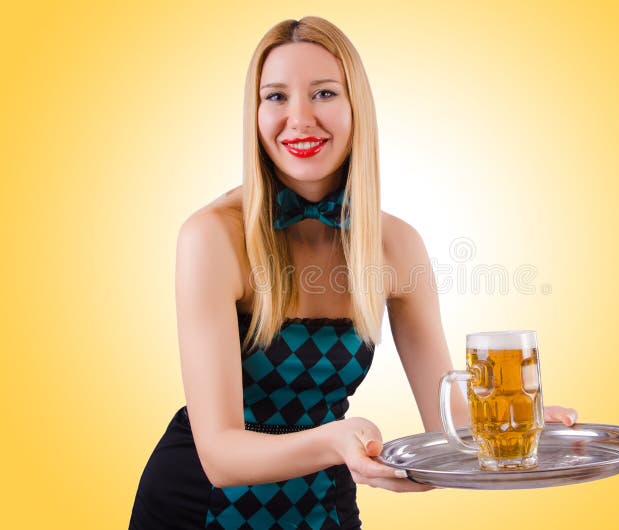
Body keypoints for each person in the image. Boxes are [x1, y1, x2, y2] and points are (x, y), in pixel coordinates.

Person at [129, 16, 578, 530]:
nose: (298, 118)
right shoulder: (212, 236)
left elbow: (449, 427)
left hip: (324, 509)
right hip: (200, 510)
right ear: (254, 114)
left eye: (322, 93)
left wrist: (517, 429)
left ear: (355, 107)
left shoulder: (396, 245)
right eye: (275, 97)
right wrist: (336, 440)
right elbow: (221, 455)